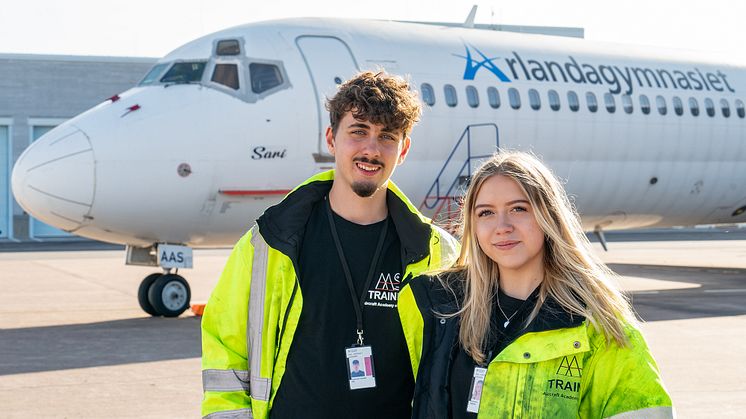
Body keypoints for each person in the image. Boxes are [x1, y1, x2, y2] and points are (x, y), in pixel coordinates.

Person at [200, 71, 459, 419]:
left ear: (404, 150)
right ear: (331, 139)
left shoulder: (437, 253)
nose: (371, 149)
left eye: (387, 137)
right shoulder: (271, 242)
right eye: (358, 131)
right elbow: (225, 347)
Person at [399, 151, 674, 418]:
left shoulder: (597, 327)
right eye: (486, 213)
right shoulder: (436, 308)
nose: (502, 226)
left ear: (548, 216)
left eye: (518, 209)